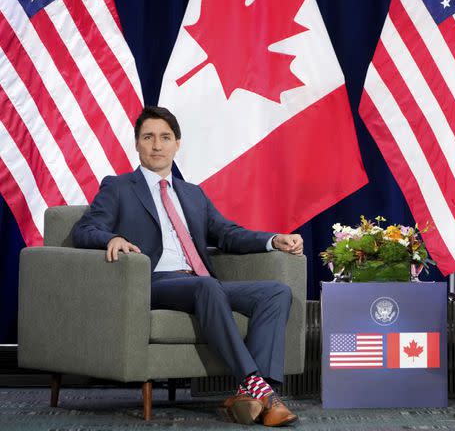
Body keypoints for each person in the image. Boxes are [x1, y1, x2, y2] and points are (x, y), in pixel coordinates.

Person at [72, 106, 301, 427]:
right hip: (152, 281)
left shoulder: (193, 194)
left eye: (165, 137)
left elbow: (226, 234)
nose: (157, 145)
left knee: (276, 292)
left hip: (201, 284)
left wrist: (273, 239)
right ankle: (262, 391)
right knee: (205, 286)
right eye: (148, 137)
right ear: (136, 144)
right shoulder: (119, 187)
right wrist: (113, 238)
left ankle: (252, 396)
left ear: (177, 144)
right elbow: (84, 229)